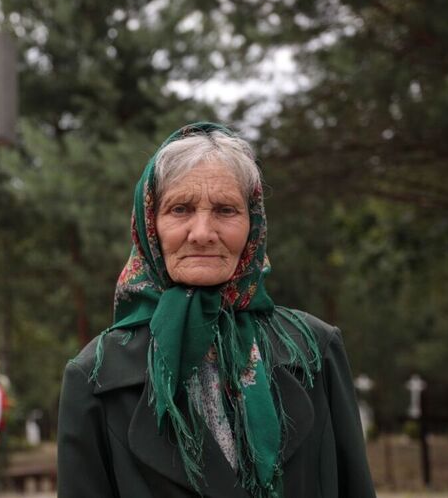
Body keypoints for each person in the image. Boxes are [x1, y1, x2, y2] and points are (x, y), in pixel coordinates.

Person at [57, 123, 375, 498]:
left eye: (226, 210)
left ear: (253, 223)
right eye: (180, 209)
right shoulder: (97, 374)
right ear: (150, 225)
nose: (203, 232)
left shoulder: (314, 350)